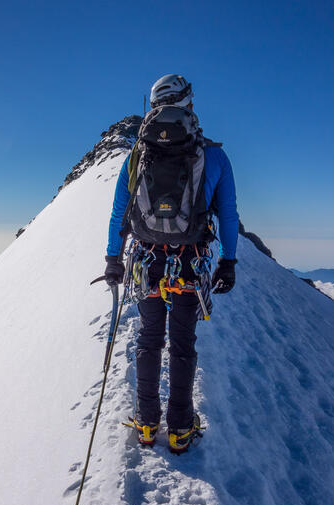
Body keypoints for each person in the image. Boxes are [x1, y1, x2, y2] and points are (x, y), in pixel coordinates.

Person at [104, 74, 239, 453]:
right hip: (190, 264)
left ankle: (146, 424)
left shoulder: (137, 155)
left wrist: (113, 258)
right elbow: (228, 216)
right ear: (189, 104)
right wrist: (228, 262)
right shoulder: (213, 156)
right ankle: (180, 428)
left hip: (146, 262)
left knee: (149, 339)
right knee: (182, 343)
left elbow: (120, 213)